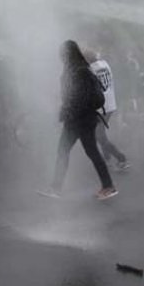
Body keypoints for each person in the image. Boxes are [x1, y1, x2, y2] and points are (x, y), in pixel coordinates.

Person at [38, 40, 118, 200]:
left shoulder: (79, 71)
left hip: (79, 120)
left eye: (62, 53)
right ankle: (107, 186)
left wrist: (67, 112)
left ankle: (56, 188)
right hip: (82, 118)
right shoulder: (80, 69)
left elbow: (78, 97)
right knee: (88, 152)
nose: (60, 57)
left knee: (66, 151)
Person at [88, 49, 130, 170]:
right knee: (100, 134)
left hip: (102, 107)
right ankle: (107, 159)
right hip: (110, 104)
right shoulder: (105, 64)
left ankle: (121, 159)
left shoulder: (90, 70)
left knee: (99, 135)